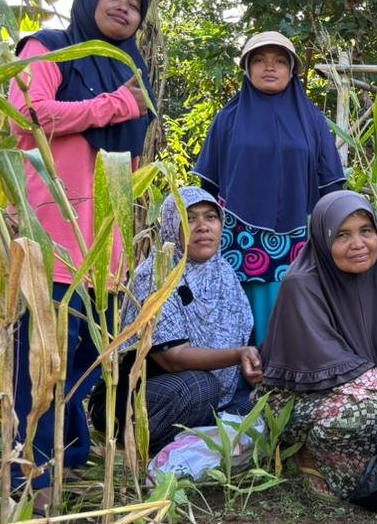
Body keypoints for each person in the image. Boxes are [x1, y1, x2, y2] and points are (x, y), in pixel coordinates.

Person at [8, 0, 155, 507]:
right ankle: (31, 477)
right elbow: (27, 114)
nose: (123, 7)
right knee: (41, 363)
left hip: (104, 251)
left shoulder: (129, 70)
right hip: (50, 241)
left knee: (88, 358)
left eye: (134, 3)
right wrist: (115, 104)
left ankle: (66, 456)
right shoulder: (49, 49)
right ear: (87, 0)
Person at [260, 192, 377, 500]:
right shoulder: (301, 284)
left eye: (366, 231)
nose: (358, 244)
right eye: (342, 235)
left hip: (371, 391)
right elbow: (328, 361)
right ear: (323, 239)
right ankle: (306, 457)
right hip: (299, 399)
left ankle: (356, 469)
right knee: (371, 418)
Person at [193, 31, 345, 345]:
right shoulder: (227, 119)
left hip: (299, 235)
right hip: (238, 238)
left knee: (295, 308)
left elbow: (331, 186)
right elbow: (208, 186)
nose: (270, 67)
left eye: (279, 61)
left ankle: (288, 370)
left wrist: (332, 236)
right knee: (238, 316)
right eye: (259, 60)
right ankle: (238, 367)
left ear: (292, 70)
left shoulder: (312, 121)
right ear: (247, 69)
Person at [99, 188, 261, 455]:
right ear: (172, 227)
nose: (202, 227)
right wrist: (238, 355)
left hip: (216, 396)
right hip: (142, 398)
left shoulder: (225, 273)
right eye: (189, 218)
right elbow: (172, 359)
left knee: (261, 401)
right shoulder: (156, 274)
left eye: (210, 217)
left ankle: (201, 438)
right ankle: (154, 445)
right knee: (201, 386)